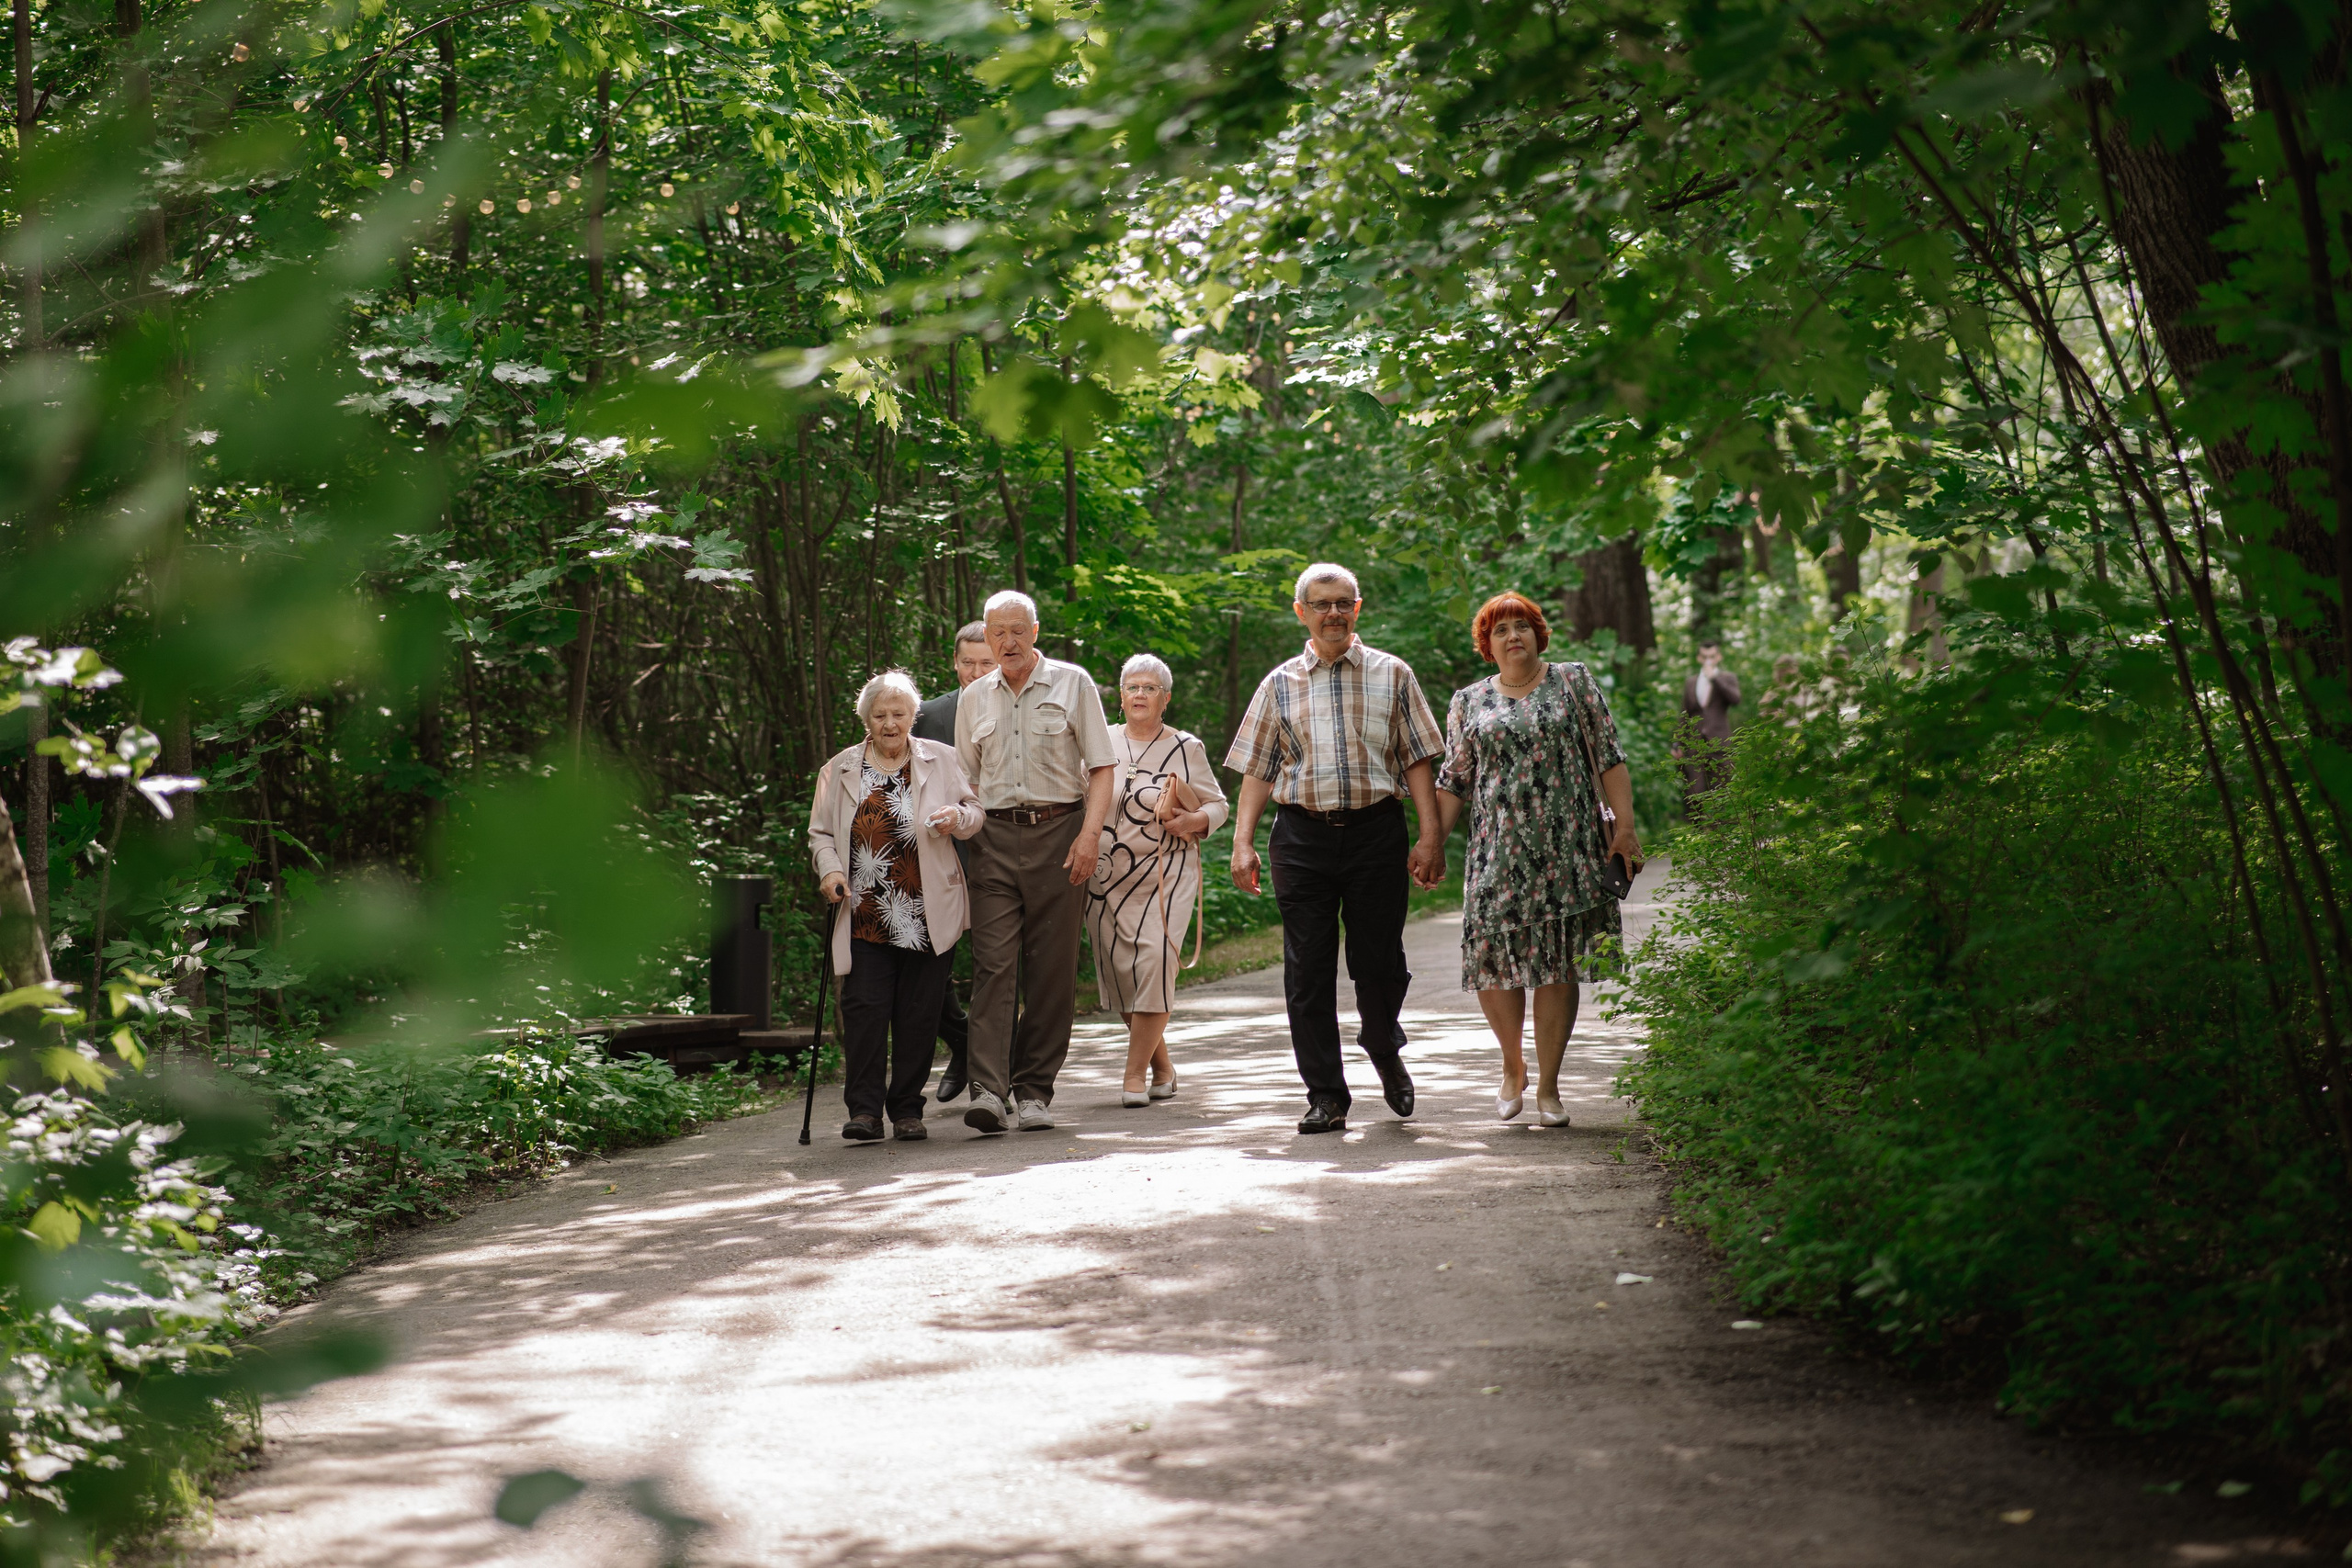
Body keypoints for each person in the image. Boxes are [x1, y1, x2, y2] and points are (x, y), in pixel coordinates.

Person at [1226, 563, 1446, 1135]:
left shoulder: (1392, 674)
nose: (1333, 613)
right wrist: (1242, 842)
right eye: (1321, 604)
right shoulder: (1278, 684)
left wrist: (1430, 836)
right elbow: (1256, 768)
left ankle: (1380, 1040)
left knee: (1380, 964)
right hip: (1300, 835)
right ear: (1301, 612)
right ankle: (1326, 1094)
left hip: (1377, 831)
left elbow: (1418, 759)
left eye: (1342, 602)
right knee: (1307, 971)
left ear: (1358, 607)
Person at [1432, 593, 1641, 1130]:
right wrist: (1431, 842)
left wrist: (1625, 829)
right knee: (1493, 960)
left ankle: (1548, 1085)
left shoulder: (1572, 682)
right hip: (1496, 851)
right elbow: (1455, 780)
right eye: (1499, 630)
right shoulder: (1468, 701)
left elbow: (1608, 756)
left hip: (1568, 846)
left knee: (1559, 961)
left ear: (1538, 634)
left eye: (1521, 626)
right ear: (1487, 644)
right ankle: (1511, 1064)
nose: (1512, 636)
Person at [954, 590, 1116, 1134]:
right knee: (993, 965)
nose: (1008, 641)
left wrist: (1090, 836)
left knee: (1051, 969)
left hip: (1061, 835)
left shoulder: (1074, 683)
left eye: (1018, 630)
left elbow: (1100, 767)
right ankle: (987, 1090)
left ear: (1036, 632)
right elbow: (966, 781)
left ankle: (1034, 1090)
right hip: (993, 841)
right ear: (986, 635)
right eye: (998, 632)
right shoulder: (974, 698)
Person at [808, 671, 985, 1144]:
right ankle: (864, 1112)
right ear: (866, 718)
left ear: (913, 716)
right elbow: (821, 833)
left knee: (918, 1014)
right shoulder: (840, 768)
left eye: (899, 714)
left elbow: (976, 812)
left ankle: (907, 1109)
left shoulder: (941, 760)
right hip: (864, 911)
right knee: (865, 1011)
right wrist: (830, 871)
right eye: (881, 715)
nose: (890, 723)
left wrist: (958, 818)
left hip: (928, 909)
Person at [1086, 653, 1228, 1106]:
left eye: (1150, 688)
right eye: (1133, 687)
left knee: (1154, 966)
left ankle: (1132, 1078)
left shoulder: (1187, 746)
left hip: (1167, 872)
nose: (1141, 694)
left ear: (1166, 698)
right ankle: (1162, 1066)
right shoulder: (1099, 741)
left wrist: (1195, 822)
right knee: (1121, 972)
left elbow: (1218, 805)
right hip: (1106, 875)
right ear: (1121, 696)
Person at [911, 621, 998, 1103]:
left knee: (993, 963)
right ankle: (962, 1040)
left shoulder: (1014, 708)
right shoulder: (929, 714)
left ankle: (990, 1066)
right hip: (939, 854)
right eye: (969, 662)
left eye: (987, 662)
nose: (977, 671)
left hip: (998, 851)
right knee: (930, 964)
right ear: (955, 661)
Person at [1679, 640, 1740, 805]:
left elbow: (1735, 699)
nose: (1708, 660)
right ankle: (1698, 828)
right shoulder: (1690, 682)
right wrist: (1677, 743)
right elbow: (1684, 713)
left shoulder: (1728, 678)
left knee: (1721, 788)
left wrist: (1715, 679)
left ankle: (1723, 828)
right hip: (1695, 743)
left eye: (1712, 657)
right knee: (1695, 790)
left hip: (1719, 742)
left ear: (1718, 657)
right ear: (1699, 658)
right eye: (1705, 657)